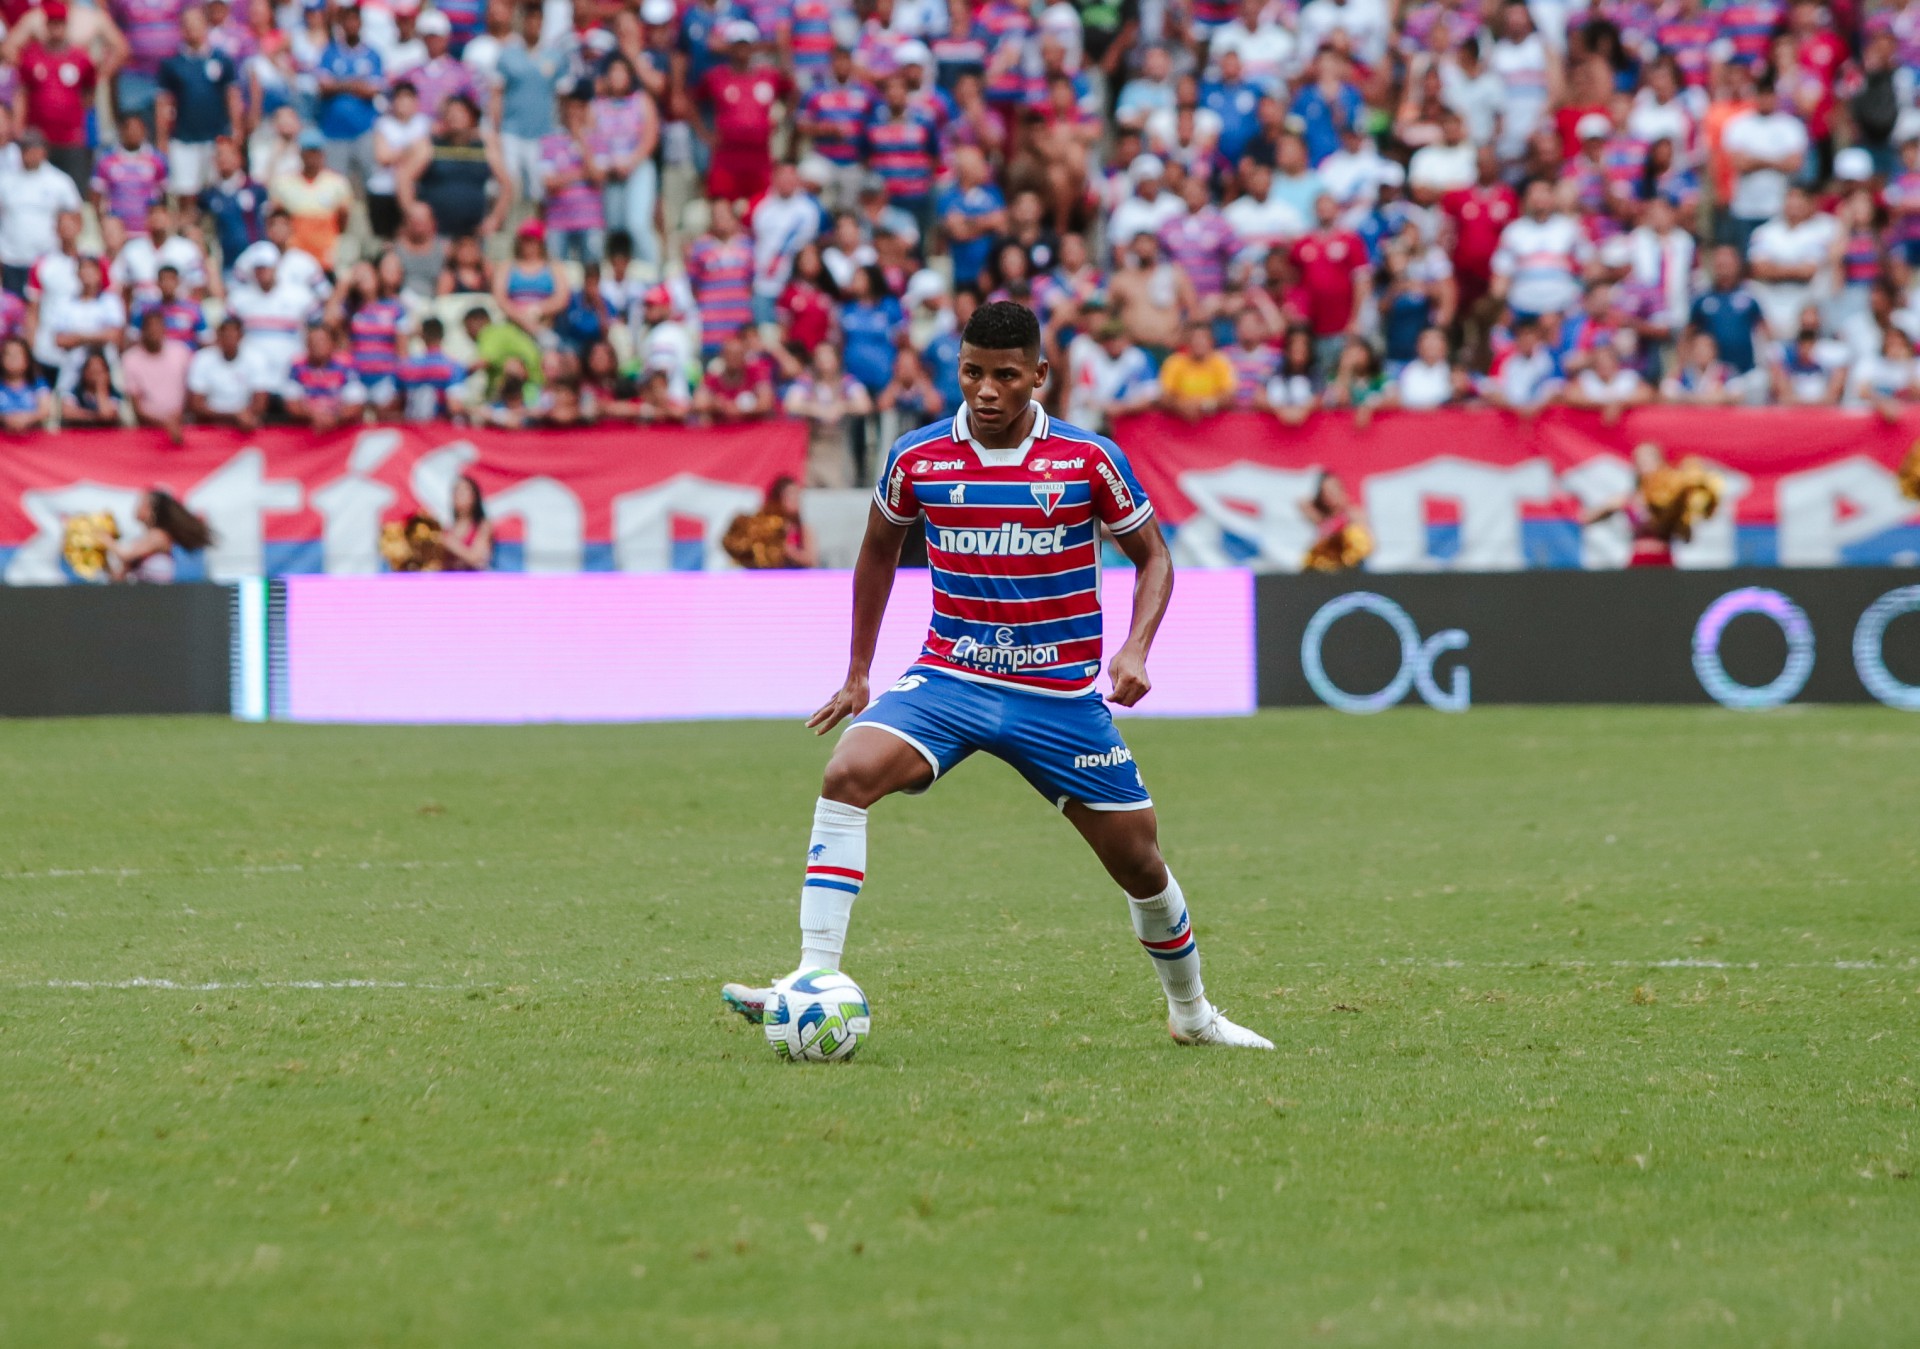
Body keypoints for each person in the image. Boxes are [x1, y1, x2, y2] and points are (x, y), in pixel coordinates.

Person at [718, 300, 1273, 1052]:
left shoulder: (1088, 459)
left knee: (1139, 859)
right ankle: (813, 978)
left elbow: (1154, 557)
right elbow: (878, 553)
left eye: (1005, 375)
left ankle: (1193, 1014)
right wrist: (858, 673)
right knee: (847, 773)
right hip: (951, 679)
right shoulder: (918, 456)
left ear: (1039, 376)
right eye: (972, 372)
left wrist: (1137, 647)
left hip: (1059, 698)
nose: (985, 389)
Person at [106, 488, 212, 582]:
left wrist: (104, 539)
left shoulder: (159, 536)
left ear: (151, 509)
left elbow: (126, 555)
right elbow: (118, 578)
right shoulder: (140, 542)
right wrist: (104, 561)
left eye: (141, 502)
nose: (136, 506)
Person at [120, 308, 192, 436]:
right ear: (142, 330)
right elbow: (136, 406)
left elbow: (191, 389)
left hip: (182, 425)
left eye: (158, 326)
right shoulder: (130, 359)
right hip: (147, 430)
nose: (154, 331)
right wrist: (165, 423)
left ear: (165, 329)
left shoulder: (181, 352)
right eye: (150, 327)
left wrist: (178, 417)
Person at [439, 473, 492, 570]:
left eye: (464, 491)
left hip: (472, 582)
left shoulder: (483, 525)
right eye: (456, 491)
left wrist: (449, 543)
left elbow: (475, 557)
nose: (459, 494)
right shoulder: (447, 529)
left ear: (474, 497)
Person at [62, 347, 125, 427]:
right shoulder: (75, 392)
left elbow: (107, 415)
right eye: (93, 371)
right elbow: (68, 413)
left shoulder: (115, 394)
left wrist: (101, 391)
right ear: (84, 373)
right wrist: (96, 416)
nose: (96, 376)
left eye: (100, 372)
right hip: (79, 435)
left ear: (107, 374)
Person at [0, 334, 51, 430]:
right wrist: (5, 419)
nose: (13, 359)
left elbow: (46, 410)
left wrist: (28, 418)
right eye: (8, 354)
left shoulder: (38, 383)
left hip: (33, 437)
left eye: (18, 354)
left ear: (27, 360)